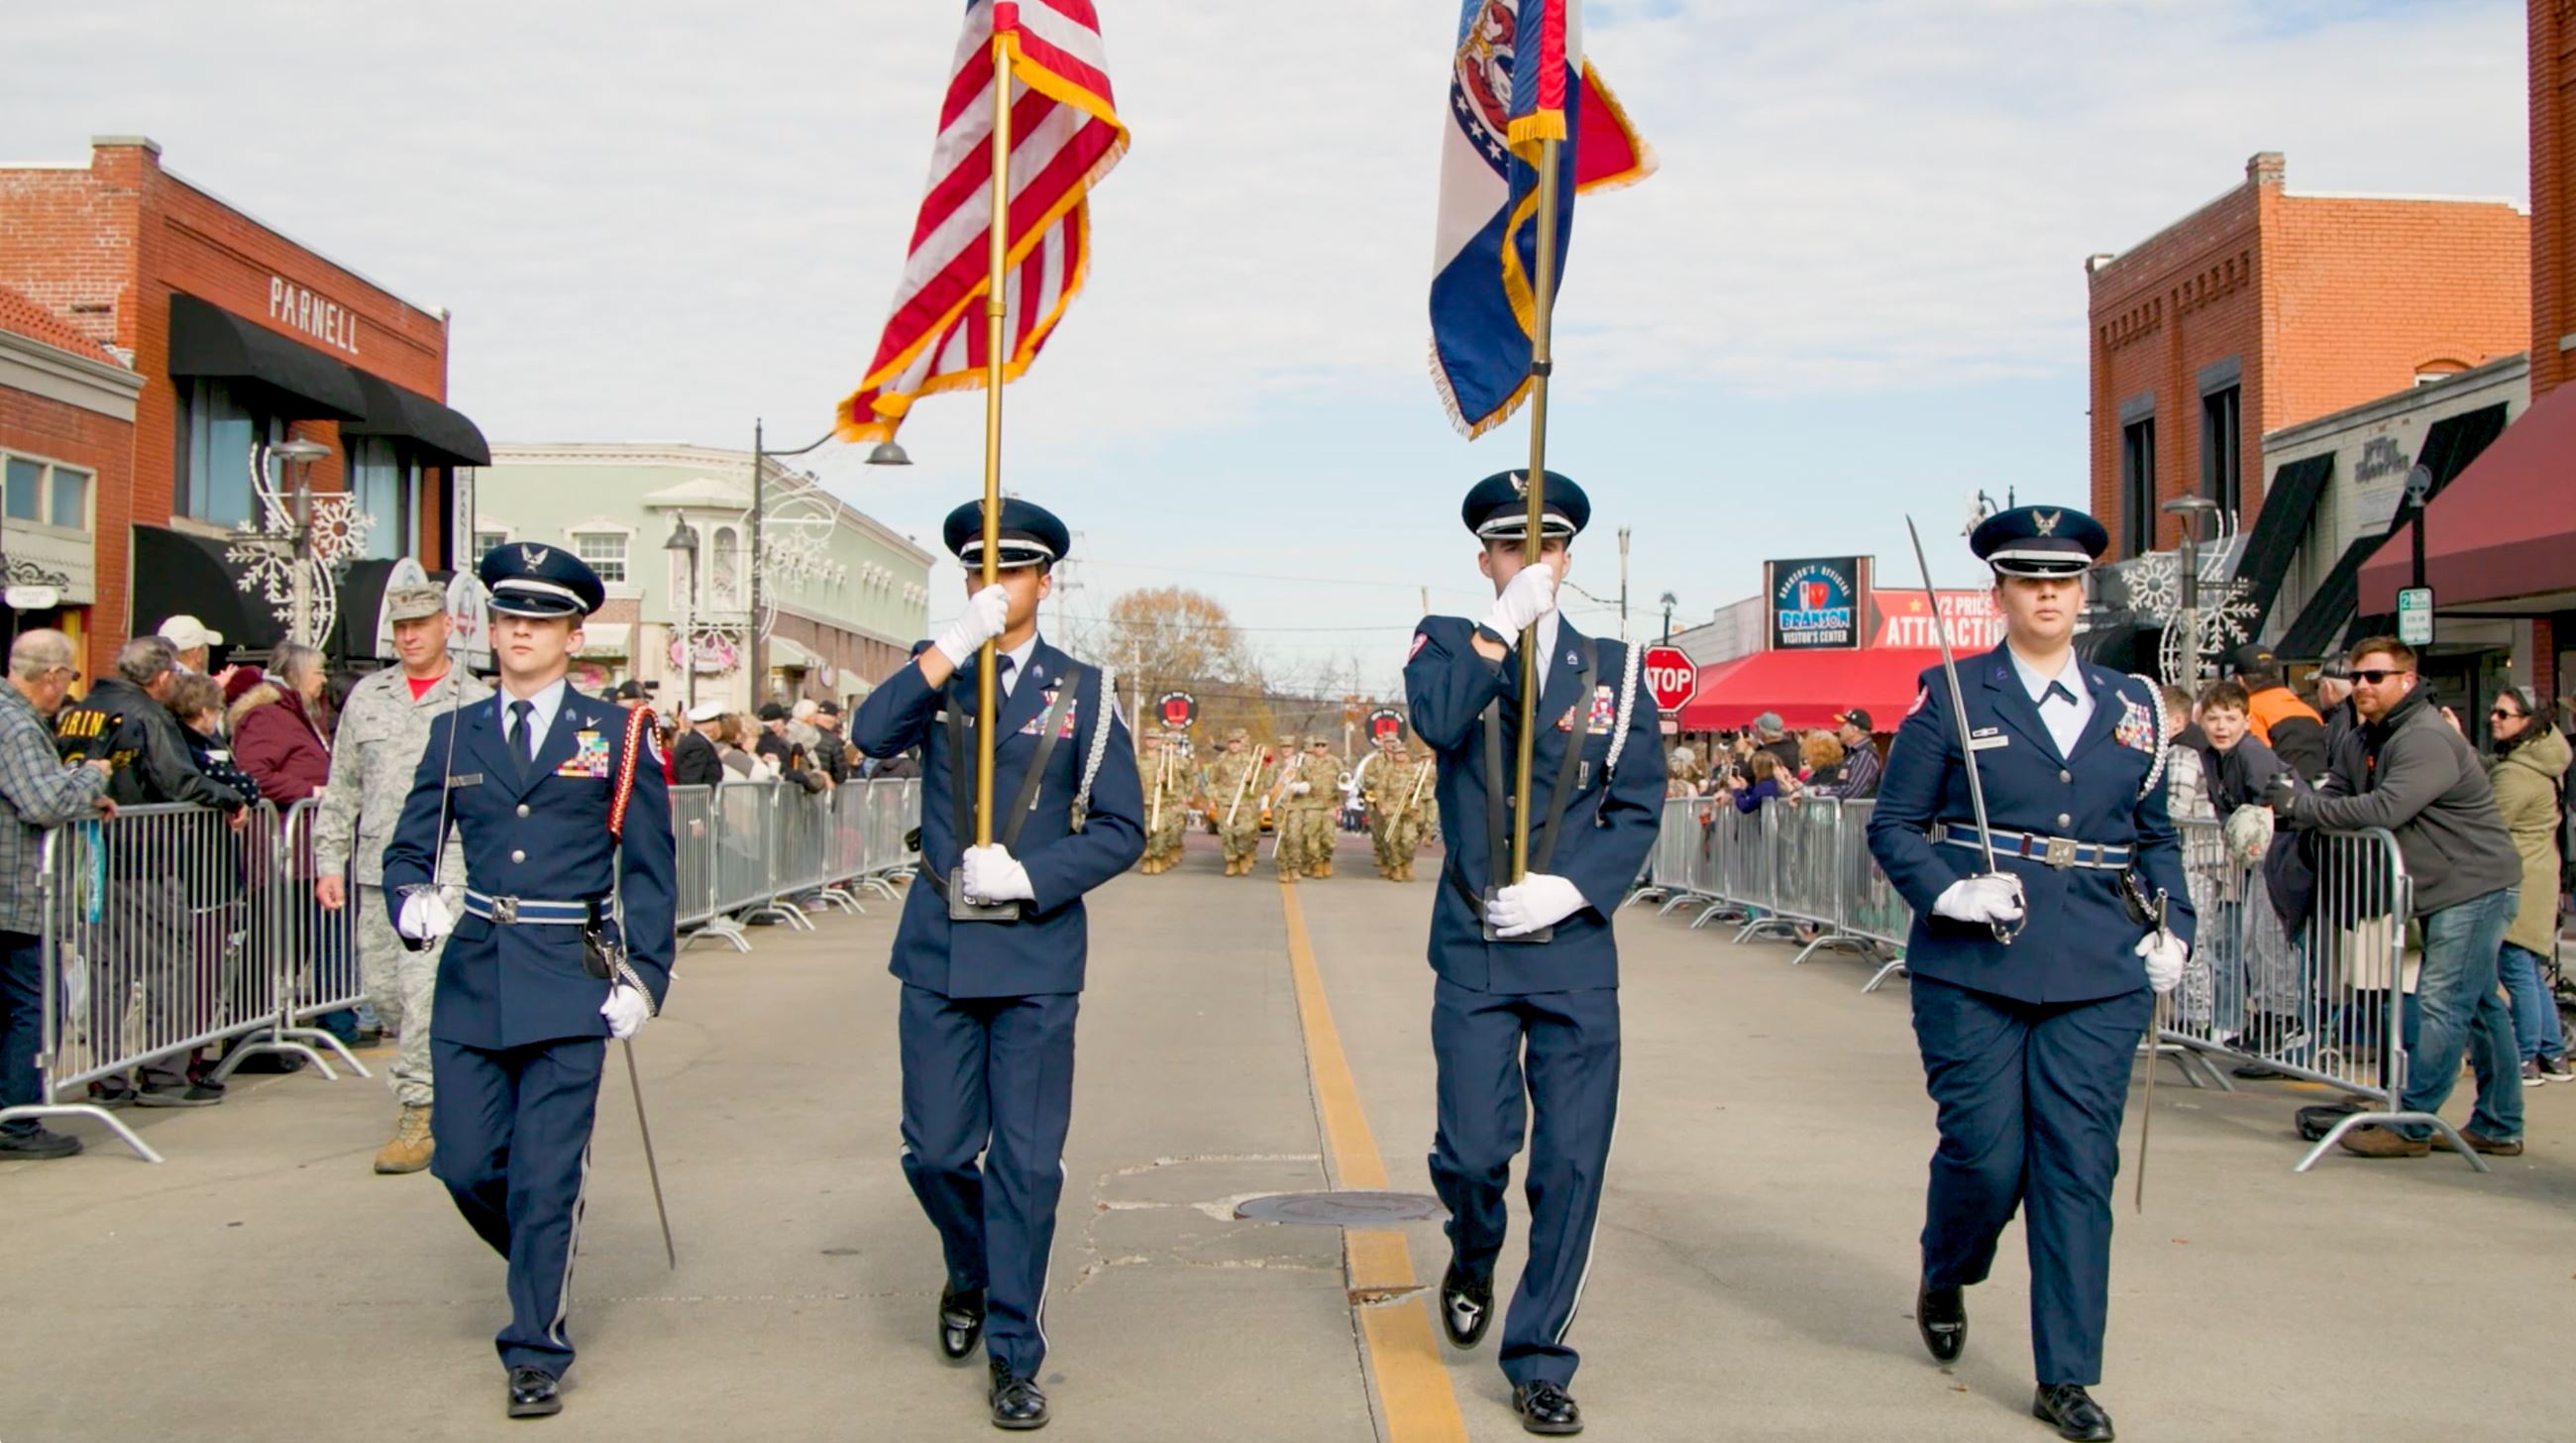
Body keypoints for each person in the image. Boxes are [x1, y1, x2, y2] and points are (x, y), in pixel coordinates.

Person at [1866, 505, 2193, 1443]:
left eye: (2064, 581)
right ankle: (1948, 1268)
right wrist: (1950, 891)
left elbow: (2155, 838)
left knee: (2077, 1167)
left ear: (2084, 594)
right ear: (1999, 593)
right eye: (2028, 580)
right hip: (1975, 962)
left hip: (2098, 964)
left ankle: (2068, 1375)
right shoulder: (1952, 694)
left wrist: (2178, 927)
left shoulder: (2133, 707)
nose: (2048, 595)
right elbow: (1894, 825)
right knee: (1985, 1155)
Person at [846, 498, 1140, 1430]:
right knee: (936, 1152)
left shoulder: (1082, 689)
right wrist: (951, 644)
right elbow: (867, 734)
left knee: (1026, 1164)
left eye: (1012, 570)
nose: (995, 584)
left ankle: (1016, 1351)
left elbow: (1124, 827)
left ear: (1045, 582)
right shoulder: (939, 673)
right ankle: (969, 1266)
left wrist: (1034, 875)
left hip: (1035, 954)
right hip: (939, 948)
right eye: (979, 570)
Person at [380, 541, 676, 1419]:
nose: (520, 634)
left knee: (546, 1177)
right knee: (464, 1164)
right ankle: (539, 1258)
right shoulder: (457, 732)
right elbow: (410, 846)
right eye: (510, 618)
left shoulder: (617, 734)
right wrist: (410, 899)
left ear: (573, 637)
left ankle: (535, 1345)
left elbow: (650, 870)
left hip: (568, 974)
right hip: (475, 972)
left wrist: (645, 977)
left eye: (541, 623)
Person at [1404, 469, 1664, 1437]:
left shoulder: (1615, 671)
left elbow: (1636, 802)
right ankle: (1473, 1251)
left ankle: (1540, 1355)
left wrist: (1578, 886)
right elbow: (1437, 722)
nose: (1532, 561)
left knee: (1572, 1164)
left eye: (1546, 546)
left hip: (1572, 952)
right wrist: (1498, 628)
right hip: (1476, 946)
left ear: (1567, 556)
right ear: (1485, 560)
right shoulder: (1446, 644)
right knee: (1475, 1155)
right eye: (1511, 547)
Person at [2265, 637, 2523, 1159]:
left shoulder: (2424, 736)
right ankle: (2498, 1125)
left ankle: (2409, 1124)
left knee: (2441, 1002)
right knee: (2477, 1005)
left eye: (2375, 676)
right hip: (2443, 885)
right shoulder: (2364, 735)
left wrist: (2304, 808)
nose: (2362, 685)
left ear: (2407, 680)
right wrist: (2308, 806)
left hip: (2473, 882)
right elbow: (2339, 791)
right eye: (2356, 676)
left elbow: (2386, 808)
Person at [313, 586, 490, 1174]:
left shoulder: (475, 697)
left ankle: (421, 1112)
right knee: (386, 993)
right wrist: (328, 860)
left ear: (446, 626)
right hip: (377, 868)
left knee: (422, 992)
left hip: (445, 869)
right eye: (400, 627)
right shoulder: (369, 696)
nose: (410, 636)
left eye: (420, 624)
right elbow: (343, 784)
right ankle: (459, 1078)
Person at [54, 635, 250, 1106]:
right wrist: (229, 797)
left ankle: (106, 1075)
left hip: (90, 858)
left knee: (107, 970)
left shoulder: (80, 710)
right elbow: (176, 778)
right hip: (145, 856)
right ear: (162, 677)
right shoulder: (148, 714)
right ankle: (165, 1074)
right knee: (169, 965)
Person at [0, 630, 115, 1159]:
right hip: (13, 890)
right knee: (36, 1003)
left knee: (23, 1002)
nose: (68, 688)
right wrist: (91, 776)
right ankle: (16, 1120)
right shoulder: (16, 724)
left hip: (16, 888)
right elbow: (43, 804)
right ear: (50, 676)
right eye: (69, 677)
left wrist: (82, 795)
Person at [2483, 685, 2571, 1084]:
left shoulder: (2517, 775)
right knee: (2529, 970)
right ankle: (2553, 1054)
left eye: (2504, 714)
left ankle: (2525, 1057)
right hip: (2539, 874)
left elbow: (2490, 825)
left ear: (2528, 722)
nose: (2493, 718)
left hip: (2519, 879)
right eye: (2494, 711)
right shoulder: (2540, 760)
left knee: (2517, 969)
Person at [2228, 644, 2327, 781]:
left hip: (2277, 789)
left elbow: (2255, 764)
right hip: (2315, 790)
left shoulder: (2248, 712)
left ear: (2240, 681)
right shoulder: (2310, 713)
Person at [1207, 728, 1269, 877]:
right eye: (1231, 742)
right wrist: (1212, 798)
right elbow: (1212, 780)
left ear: (1241, 744)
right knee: (1226, 832)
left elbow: (1261, 783)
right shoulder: (1221, 759)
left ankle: (1243, 854)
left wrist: (1251, 780)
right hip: (1225, 800)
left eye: (1237, 742)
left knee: (1245, 831)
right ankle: (1231, 861)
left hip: (1245, 802)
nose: (1234, 745)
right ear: (1228, 744)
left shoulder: (1251, 760)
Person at [1137, 730, 1190, 874]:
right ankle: (1146, 859)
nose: (1151, 742)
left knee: (1160, 831)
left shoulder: (1166, 761)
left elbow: (1176, 785)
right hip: (1143, 802)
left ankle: (1157, 858)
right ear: (1144, 740)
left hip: (1162, 803)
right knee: (1144, 832)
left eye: (1154, 739)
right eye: (1149, 738)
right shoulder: (1138, 760)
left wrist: (1165, 780)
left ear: (1158, 741)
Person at [1294, 736, 1342, 878]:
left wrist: (1341, 789)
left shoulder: (1335, 762)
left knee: (1328, 837)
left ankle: (1326, 858)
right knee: (1311, 836)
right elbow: (1296, 781)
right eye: (1317, 745)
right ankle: (1317, 863)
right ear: (1313, 747)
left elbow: (1345, 778)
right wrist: (1300, 787)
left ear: (1327, 747)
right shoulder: (1305, 762)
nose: (1320, 748)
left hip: (1330, 804)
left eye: (1323, 745)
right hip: (1311, 804)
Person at [1819, 710, 1882, 799]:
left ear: (1853, 730)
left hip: (1858, 808)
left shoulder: (1865, 755)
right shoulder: (1852, 753)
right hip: (1846, 807)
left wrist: (1820, 791)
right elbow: (1837, 783)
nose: (1839, 729)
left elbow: (1852, 792)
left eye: (1843, 725)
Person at [671, 701, 727, 788]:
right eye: (719, 722)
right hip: (700, 796)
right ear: (711, 724)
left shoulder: (695, 741)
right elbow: (690, 783)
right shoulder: (697, 744)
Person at [1752, 712, 1801, 777]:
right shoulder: (1794, 746)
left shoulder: (1761, 755)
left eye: (1757, 728)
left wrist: (1741, 753)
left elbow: (1745, 775)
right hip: (1792, 781)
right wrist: (1758, 748)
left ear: (1762, 731)